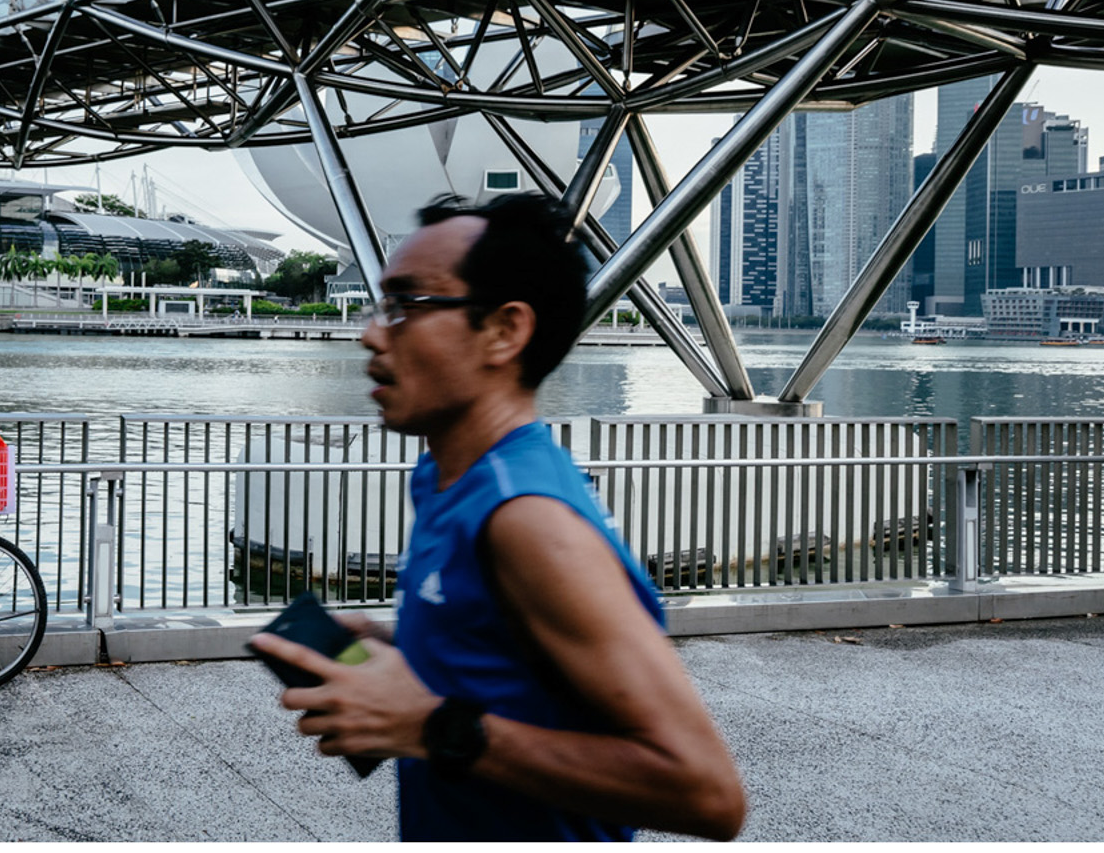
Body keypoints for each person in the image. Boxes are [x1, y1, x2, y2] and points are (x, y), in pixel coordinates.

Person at [250, 193, 746, 841]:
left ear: (505, 330)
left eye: (407, 305)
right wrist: (403, 642)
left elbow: (706, 792)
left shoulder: (528, 518)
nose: (371, 331)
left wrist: (431, 725)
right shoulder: (445, 477)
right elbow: (517, 665)